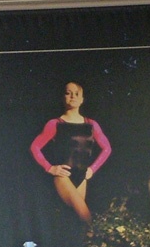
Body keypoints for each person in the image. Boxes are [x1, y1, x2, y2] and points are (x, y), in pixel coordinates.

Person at [30, 81, 111, 222]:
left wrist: (92, 169)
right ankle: (97, 240)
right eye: (68, 93)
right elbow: (35, 147)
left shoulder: (91, 125)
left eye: (76, 94)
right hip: (64, 177)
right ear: (63, 98)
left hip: (82, 177)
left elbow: (107, 148)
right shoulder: (55, 124)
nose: (72, 96)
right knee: (85, 216)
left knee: (74, 221)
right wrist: (49, 168)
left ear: (82, 99)